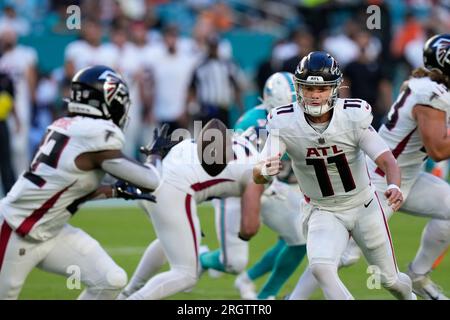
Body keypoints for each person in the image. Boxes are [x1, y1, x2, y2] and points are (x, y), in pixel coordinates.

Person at [291, 34, 450, 300]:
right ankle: (294, 298)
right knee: (344, 254)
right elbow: (438, 149)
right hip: (380, 179)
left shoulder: (426, 85)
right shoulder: (431, 94)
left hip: (407, 175)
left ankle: (418, 275)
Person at [0, 65, 173, 300]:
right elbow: (152, 179)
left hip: (49, 229)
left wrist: (114, 190)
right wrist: (156, 154)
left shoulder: (66, 126)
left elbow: (66, 189)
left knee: (110, 280)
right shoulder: (96, 134)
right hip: (15, 230)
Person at [253, 51, 415, 300]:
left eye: (322, 89)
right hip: (322, 209)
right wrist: (264, 170)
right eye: (308, 88)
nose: (315, 95)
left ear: (335, 88)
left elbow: (386, 160)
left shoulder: (352, 115)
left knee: (390, 281)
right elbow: (260, 170)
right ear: (298, 88)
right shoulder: (284, 120)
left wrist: (394, 185)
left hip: (364, 206)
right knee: (320, 268)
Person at [118, 119, 266, 300]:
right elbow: (248, 229)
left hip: (151, 174)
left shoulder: (234, 143)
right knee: (185, 275)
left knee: (169, 242)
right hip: (172, 191)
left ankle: (128, 292)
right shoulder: (259, 166)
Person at [199, 72, 307, 300]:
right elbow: (246, 170)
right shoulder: (252, 123)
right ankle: (201, 259)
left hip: (270, 185)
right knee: (233, 262)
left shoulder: (300, 120)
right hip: (238, 190)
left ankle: (266, 295)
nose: (296, 111)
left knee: (301, 237)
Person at [0, 71, 19, 195]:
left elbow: (10, 101)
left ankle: (11, 194)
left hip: (2, 123)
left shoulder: (5, 78)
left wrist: (17, 120)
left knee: (6, 162)